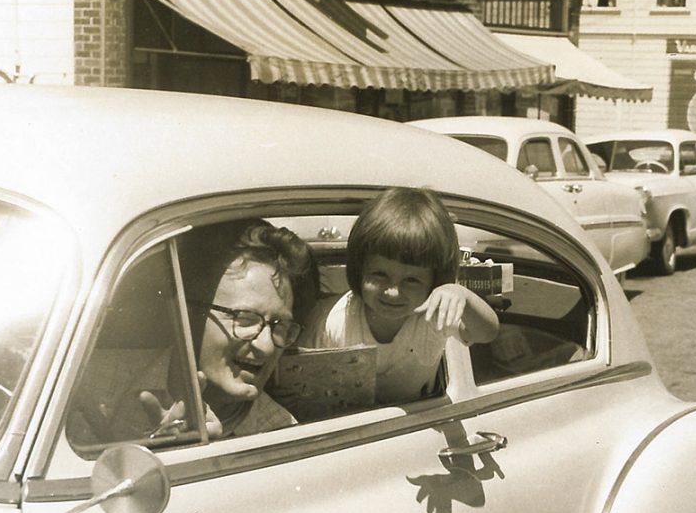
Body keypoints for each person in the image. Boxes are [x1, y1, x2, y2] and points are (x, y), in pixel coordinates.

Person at [301, 187, 500, 405]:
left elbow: (487, 332)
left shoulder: (433, 315)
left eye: (412, 280)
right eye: (379, 275)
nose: (393, 292)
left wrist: (461, 295)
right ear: (360, 270)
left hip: (421, 426)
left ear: (434, 282)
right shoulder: (336, 321)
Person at [142, 219, 320, 439]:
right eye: (244, 319)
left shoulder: (282, 434)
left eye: (281, 326)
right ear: (187, 314)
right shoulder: (95, 388)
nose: (266, 347)